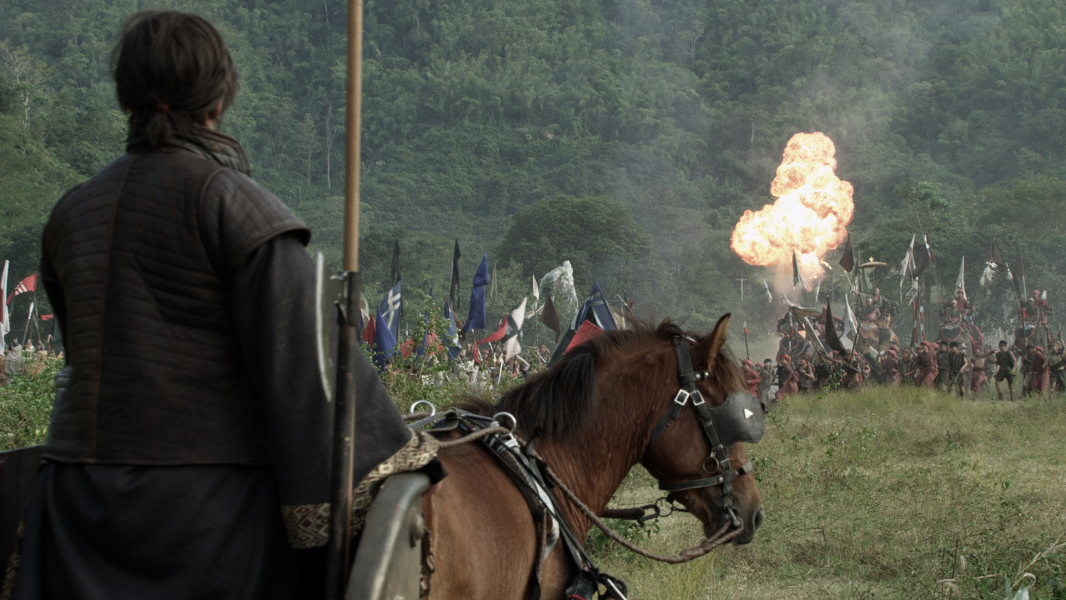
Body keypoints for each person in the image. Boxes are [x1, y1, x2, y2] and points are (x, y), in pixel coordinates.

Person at [7, 12, 441, 599]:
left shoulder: (71, 212)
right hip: (201, 517)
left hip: (74, 504)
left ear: (127, 98)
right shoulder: (235, 206)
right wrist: (396, 460)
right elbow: (308, 371)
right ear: (217, 99)